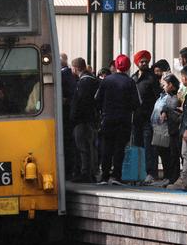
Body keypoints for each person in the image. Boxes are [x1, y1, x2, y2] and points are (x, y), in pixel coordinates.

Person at [95, 55, 140, 185]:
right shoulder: (131, 82)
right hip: (124, 120)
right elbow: (136, 103)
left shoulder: (106, 80)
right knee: (119, 148)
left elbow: (97, 99)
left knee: (106, 147)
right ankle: (116, 176)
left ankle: (104, 176)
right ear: (128, 66)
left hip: (108, 118)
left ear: (115, 65)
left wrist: (103, 110)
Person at [132, 50, 161, 184]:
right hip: (136, 118)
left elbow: (158, 97)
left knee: (149, 146)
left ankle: (151, 173)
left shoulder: (152, 77)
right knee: (137, 145)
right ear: (137, 63)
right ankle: (138, 172)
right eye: (141, 61)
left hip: (149, 118)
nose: (144, 63)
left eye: (146, 61)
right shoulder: (134, 78)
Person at [69, 58, 99, 183]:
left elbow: (80, 102)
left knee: (83, 147)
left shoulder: (84, 82)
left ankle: (85, 173)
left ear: (75, 68)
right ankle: (91, 172)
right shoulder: (92, 80)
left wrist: (73, 117)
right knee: (89, 146)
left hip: (82, 120)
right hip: (90, 119)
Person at [151, 74, 181, 186]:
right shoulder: (165, 96)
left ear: (171, 85)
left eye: (165, 85)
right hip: (163, 129)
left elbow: (174, 111)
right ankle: (168, 176)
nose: (163, 87)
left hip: (171, 130)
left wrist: (165, 111)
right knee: (165, 153)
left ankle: (173, 177)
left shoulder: (176, 96)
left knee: (172, 155)